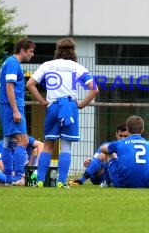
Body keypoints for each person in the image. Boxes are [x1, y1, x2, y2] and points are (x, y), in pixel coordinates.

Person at [26, 37, 98, 188]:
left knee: (48, 145)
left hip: (53, 106)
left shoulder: (47, 65)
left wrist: (43, 101)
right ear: (73, 51)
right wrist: (81, 105)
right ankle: (61, 182)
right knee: (66, 146)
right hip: (70, 106)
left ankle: (39, 181)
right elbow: (94, 89)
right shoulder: (77, 67)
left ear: (57, 51)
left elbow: (30, 84)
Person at [0, 37, 35, 185]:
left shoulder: (8, 62)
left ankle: (8, 179)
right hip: (12, 107)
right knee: (23, 141)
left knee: (8, 142)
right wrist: (15, 110)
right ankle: (19, 177)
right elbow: (9, 86)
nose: (32, 54)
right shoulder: (13, 63)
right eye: (31, 51)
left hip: (5, 106)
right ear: (22, 50)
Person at [100, 116, 149, 188]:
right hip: (146, 184)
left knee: (109, 153)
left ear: (127, 129)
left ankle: (108, 183)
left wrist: (113, 152)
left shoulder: (120, 143)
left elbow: (103, 149)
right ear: (143, 129)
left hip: (124, 183)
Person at [68, 122, 129, 186]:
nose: (123, 139)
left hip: (120, 175)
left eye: (125, 136)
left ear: (129, 136)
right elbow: (96, 159)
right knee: (103, 155)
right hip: (99, 176)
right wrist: (89, 162)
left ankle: (108, 182)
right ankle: (81, 180)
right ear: (116, 134)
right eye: (121, 136)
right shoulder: (106, 145)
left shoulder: (131, 148)